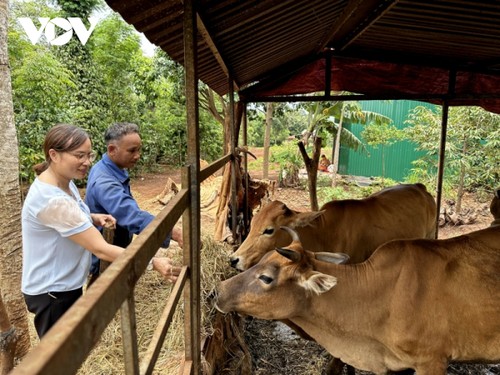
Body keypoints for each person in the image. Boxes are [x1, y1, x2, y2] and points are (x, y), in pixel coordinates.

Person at [21, 124, 180, 339]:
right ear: (54, 155)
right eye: (79, 155)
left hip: (65, 283)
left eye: (89, 155)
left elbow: (71, 215)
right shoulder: (53, 200)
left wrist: (92, 217)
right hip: (53, 293)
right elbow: (101, 249)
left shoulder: (64, 184)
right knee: (60, 360)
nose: (87, 162)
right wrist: (152, 262)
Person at [85, 122, 183, 278]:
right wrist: (173, 232)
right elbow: (131, 214)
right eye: (132, 151)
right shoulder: (105, 182)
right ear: (112, 150)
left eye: (139, 149)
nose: (137, 155)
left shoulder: (111, 168)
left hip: (116, 252)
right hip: (106, 260)